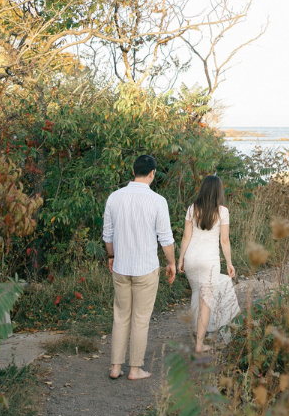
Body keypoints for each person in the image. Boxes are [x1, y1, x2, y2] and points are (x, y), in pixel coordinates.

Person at [102, 154, 176, 381]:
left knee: (121, 316)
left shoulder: (114, 198)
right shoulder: (157, 201)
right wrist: (172, 262)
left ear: (134, 172)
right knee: (140, 319)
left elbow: (108, 234)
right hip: (146, 268)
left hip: (121, 266)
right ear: (153, 173)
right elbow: (165, 239)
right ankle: (135, 369)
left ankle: (116, 367)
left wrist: (111, 256)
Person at [178, 174, 239, 353]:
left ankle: (198, 332)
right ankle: (198, 344)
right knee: (205, 300)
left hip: (191, 259)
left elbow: (186, 236)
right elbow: (225, 241)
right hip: (209, 260)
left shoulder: (192, 209)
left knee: (197, 294)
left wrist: (181, 259)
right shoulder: (222, 211)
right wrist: (229, 262)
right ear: (218, 191)